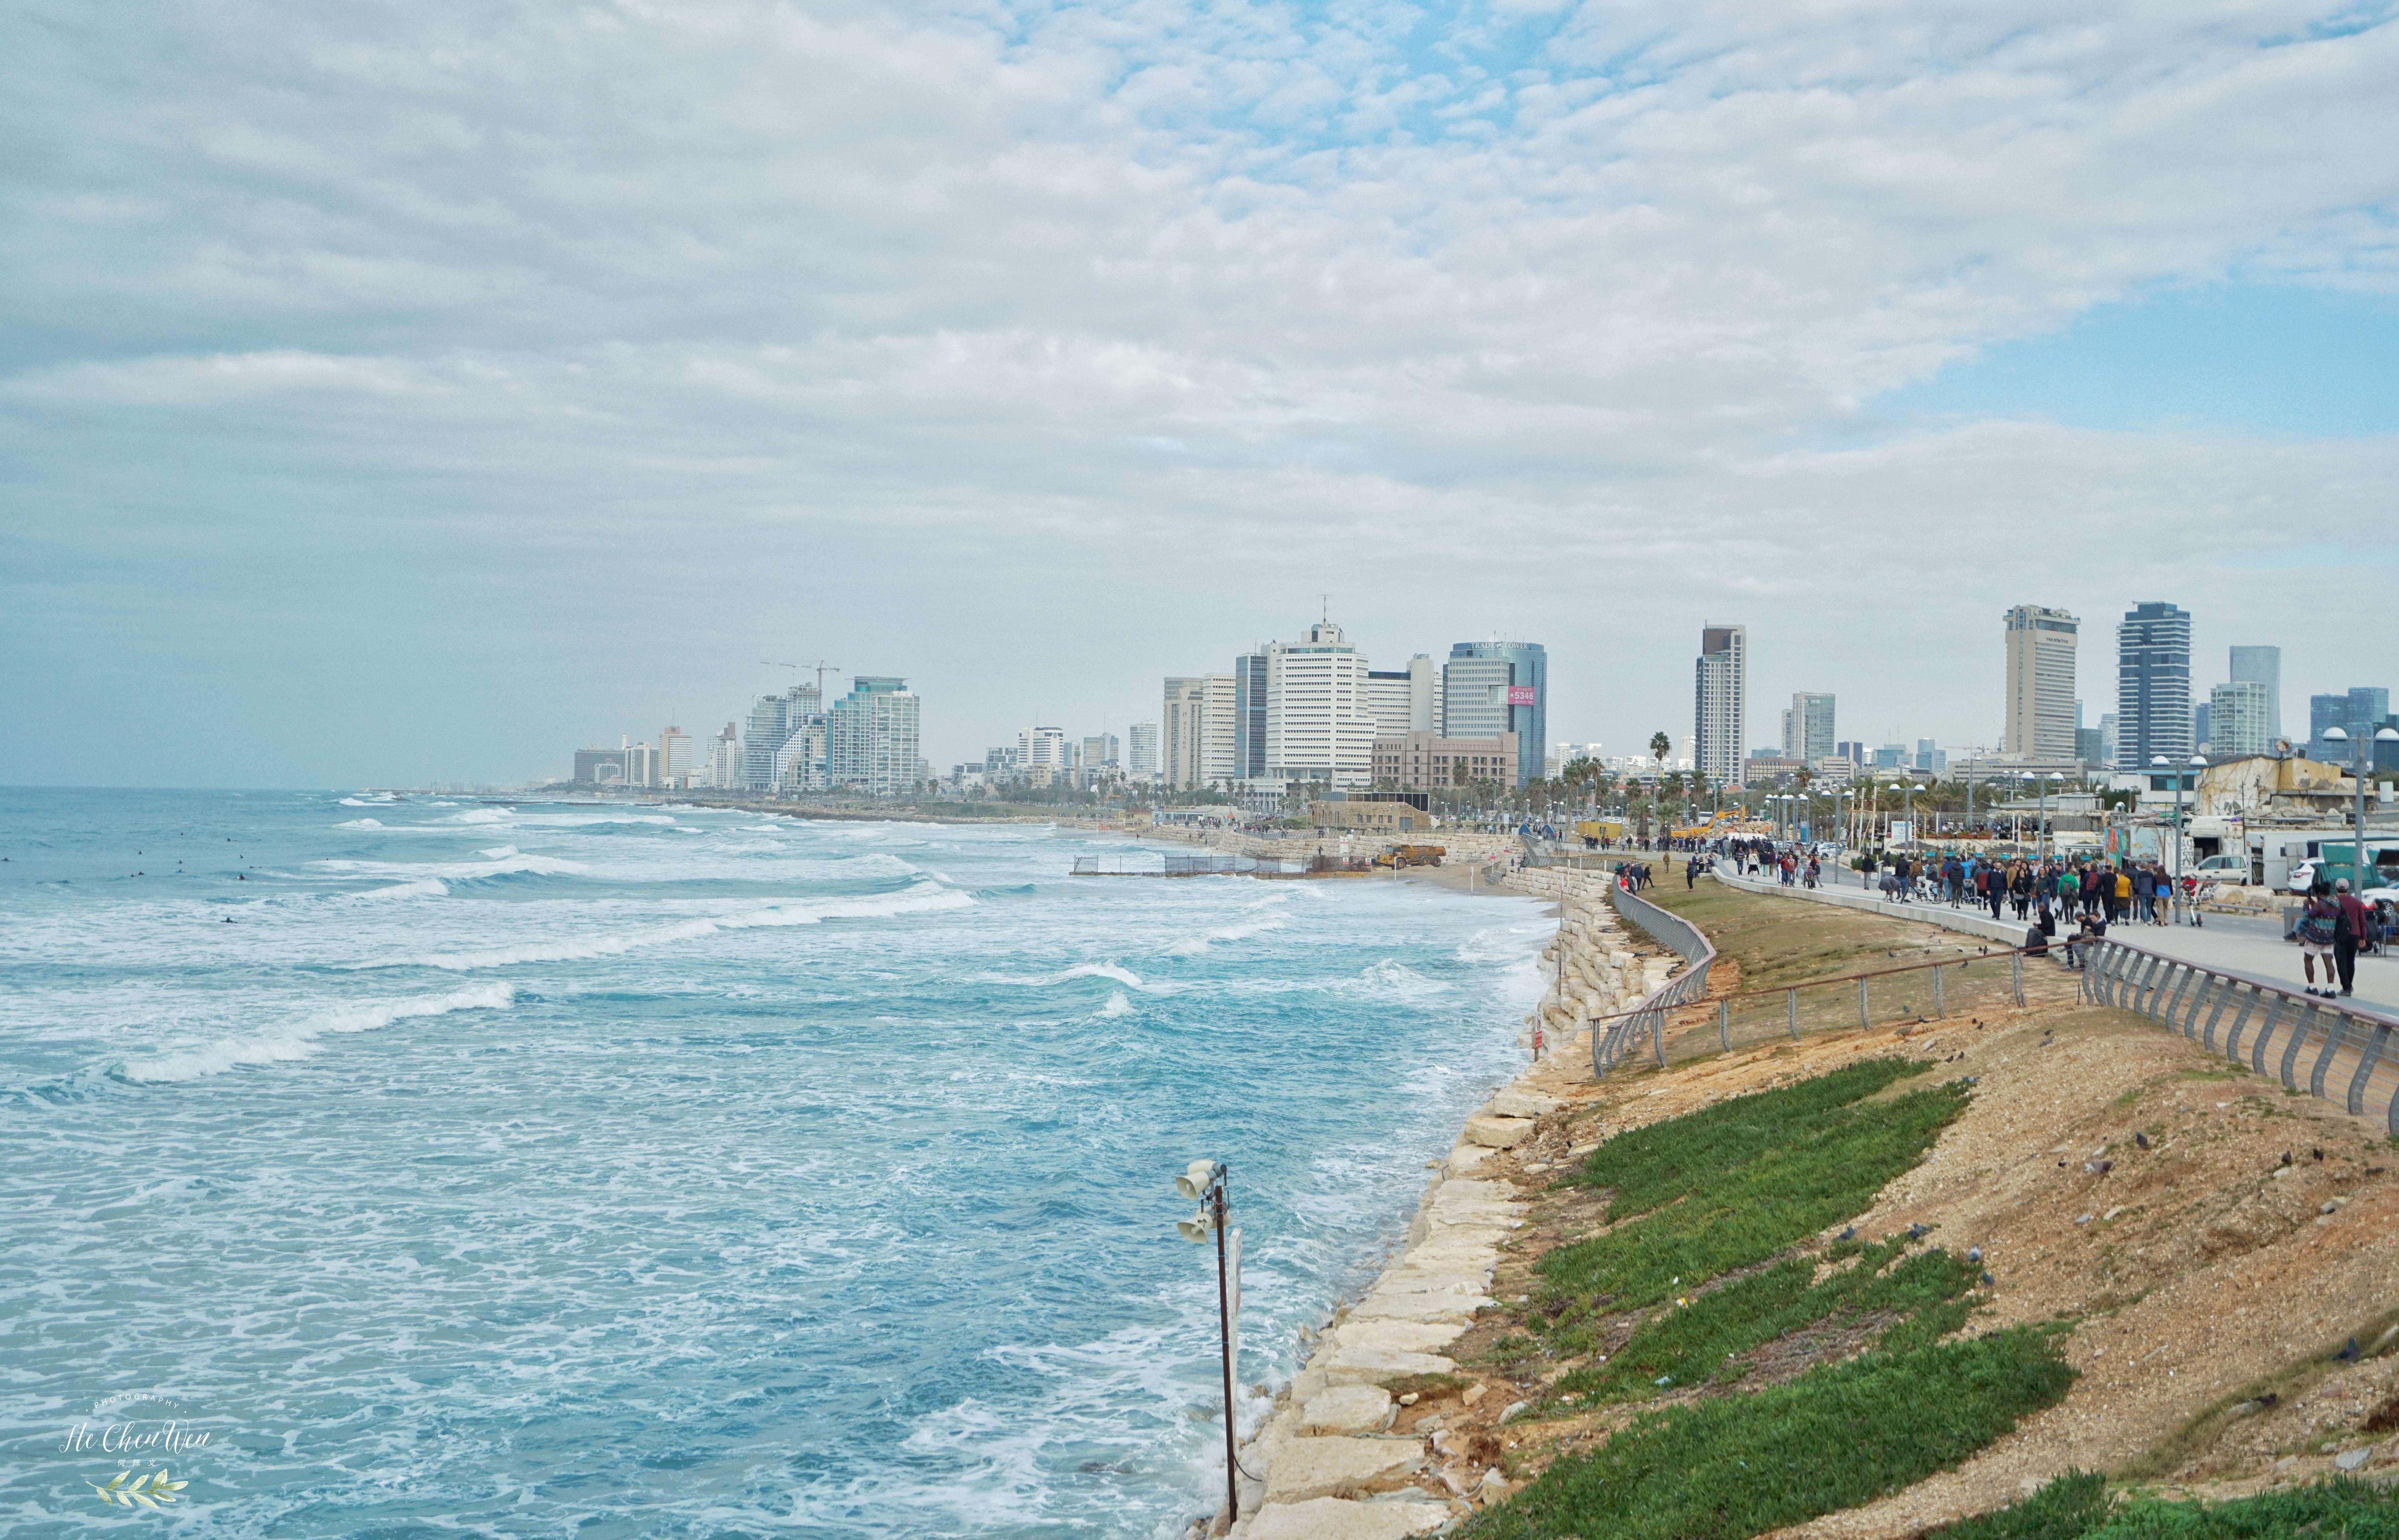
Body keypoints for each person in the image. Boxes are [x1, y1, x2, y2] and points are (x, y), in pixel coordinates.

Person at [2298, 885, 2340, 997]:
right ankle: (2330, 989)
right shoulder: (2336, 904)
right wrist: (2315, 904)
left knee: (2308, 960)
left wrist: (2307, 905)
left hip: (2315, 938)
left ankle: (2312, 987)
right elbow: (2323, 912)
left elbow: (2307, 918)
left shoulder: (2320, 904)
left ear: (2320, 894)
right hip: (2329, 938)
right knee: (2329, 963)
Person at [2333, 878, 2369, 997]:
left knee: (2341, 961)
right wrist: (2363, 937)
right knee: (2351, 960)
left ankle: (2346, 987)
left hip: (2340, 935)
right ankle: (2350, 984)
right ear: (2348, 888)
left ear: (2336, 888)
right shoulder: (2356, 902)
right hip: (2355, 934)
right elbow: (2362, 920)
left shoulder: (2334, 901)